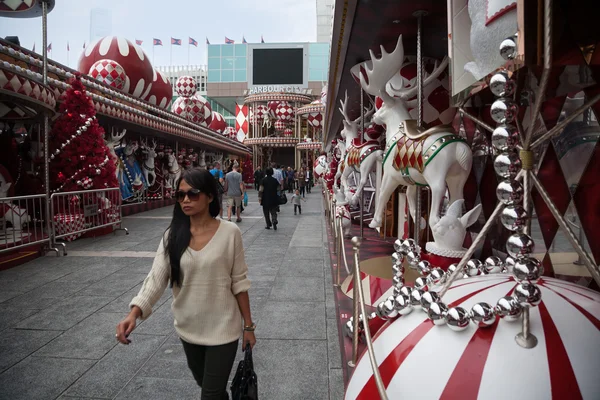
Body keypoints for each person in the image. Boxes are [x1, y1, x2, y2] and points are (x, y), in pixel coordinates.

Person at [116, 168, 255, 400]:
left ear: (210, 196)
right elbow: (157, 278)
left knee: (209, 394)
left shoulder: (230, 233)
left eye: (193, 194)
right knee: (212, 388)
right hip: (188, 329)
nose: (186, 200)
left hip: (224, 329)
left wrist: (248, 327)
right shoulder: (173, 235)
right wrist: (134, 313)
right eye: (180, 195)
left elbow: (239, 282)